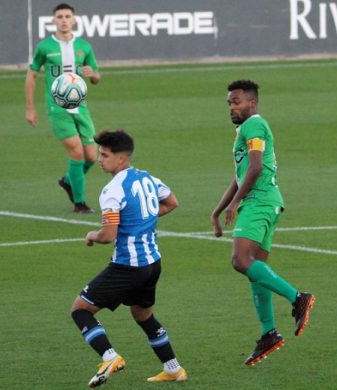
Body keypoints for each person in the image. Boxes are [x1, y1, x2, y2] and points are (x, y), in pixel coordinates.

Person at [70, 130, 188, 387]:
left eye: (105, 155)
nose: (100, 159)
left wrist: (91, 234)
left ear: (121, 159)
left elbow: (108, 235)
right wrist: (141, 222)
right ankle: (173, 368)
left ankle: (110, 357)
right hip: (152, 262)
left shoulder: (112, 190)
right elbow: (171, 202)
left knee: (80, 309)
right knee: (142, 314)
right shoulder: (147, 178)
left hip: (128, 266)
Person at [211, 80, 315, 366]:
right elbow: (241, 174)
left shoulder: (253, 126)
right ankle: (269, 333)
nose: (232, 107)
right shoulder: (244, 131)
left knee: (240, 260)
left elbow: (255, 168)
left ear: (252, 103)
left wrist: (235, 205)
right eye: (229, 103)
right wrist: (218, 210)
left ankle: (298, 298)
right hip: (267, 203)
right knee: (256, 270)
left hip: (259, 202)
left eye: (237, 102)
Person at [25, 3, 100, 213]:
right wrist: (30, 108)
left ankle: (69, 181)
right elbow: (31, 75)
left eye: (68, 16)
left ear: (74, 20)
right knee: (77, 152)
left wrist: (92, 74)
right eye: (60, 17)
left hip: (81, 108)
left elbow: (96, 77)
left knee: (92, 156)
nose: (64, 20)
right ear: (53, 21)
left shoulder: (84, 47)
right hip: (57, 108)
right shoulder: (44, 48)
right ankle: (80, 202)